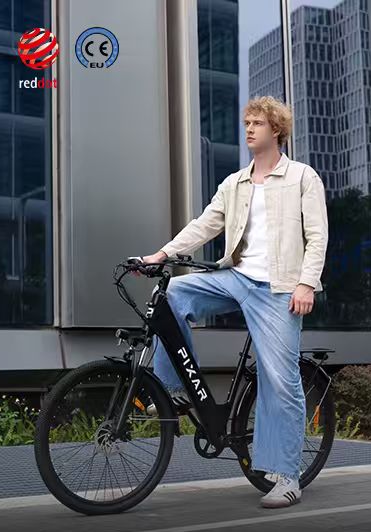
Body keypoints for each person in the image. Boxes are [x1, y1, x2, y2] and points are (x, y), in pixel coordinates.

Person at [141, 96, 328, 508]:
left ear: (276, 130)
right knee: (172, 294)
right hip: (237, 278)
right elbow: (204, 225)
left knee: (279, 380)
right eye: (247, 123)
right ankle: (172, 390)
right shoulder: (236, 183)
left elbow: (317, 236)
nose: (249, 129)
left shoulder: (302, 177)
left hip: (280, 289)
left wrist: (306, 284)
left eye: (257, 123)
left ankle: (286, 477)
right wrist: (162, 254)